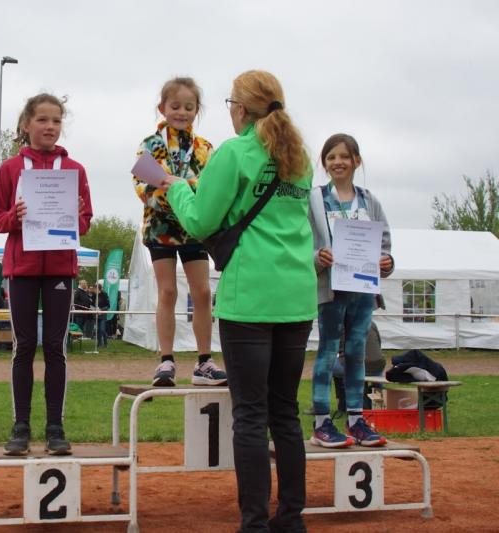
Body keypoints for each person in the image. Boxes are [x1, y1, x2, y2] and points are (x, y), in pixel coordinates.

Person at [164, 70, 317, 532]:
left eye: (231, 103)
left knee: (250, 414)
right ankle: (291, 518)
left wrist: (174, 187)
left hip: (249, 295)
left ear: (242, 109)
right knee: (285, 413)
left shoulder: (234, 152)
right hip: (296, 295)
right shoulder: (299, 156)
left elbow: (200, 222)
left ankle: (254, 523)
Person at [0, 93, 93, 456]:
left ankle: (55, 428)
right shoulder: (10, 169)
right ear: (26, 124)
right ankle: (20, 427)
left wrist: (76, 215)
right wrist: (14, 218)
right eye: (43, 120)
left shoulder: (75, 169)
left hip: (60, 268)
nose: (50, 127)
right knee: (23, 346)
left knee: (55, 347)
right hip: (22, 268)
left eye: (57, 121)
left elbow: (85, 224)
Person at [133, 76, 225, 388]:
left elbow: (211, 187)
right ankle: (166, 360)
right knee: (168, 291)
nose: (182, 112)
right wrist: (180, 193)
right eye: (175, 106)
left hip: (194, 227)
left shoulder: (205, 148)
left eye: (188, 107)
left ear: (197, 109)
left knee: (202, 292)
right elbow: (142, 185)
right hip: (160, 228)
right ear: (162, 108)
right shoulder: (151, 144)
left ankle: (204, 361)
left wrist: (177, 185)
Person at [308, 133, 394, 448]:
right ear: (324, 163)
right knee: (328, 351)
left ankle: (356, 419)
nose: (338, 162)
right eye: (331, 157)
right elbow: (303, 241)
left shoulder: (369, 201)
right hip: (331, 290)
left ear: (357, 161)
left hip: (362, 291)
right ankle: (321, 422)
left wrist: (386, 262)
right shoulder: (315, 199)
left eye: (344, 156)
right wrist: (317, 258)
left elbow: (384, 244)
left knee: (357, 353)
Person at [96, 282, 110, 347]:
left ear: (99, 288)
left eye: (95, 288)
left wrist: (101, 310)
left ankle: (105, 343)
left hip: (103, 315)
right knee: (98, 330)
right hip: (96, 314)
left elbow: (108, 306)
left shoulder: (104, 294)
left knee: (102, 329)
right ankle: (99, 343)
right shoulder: (95, 295)